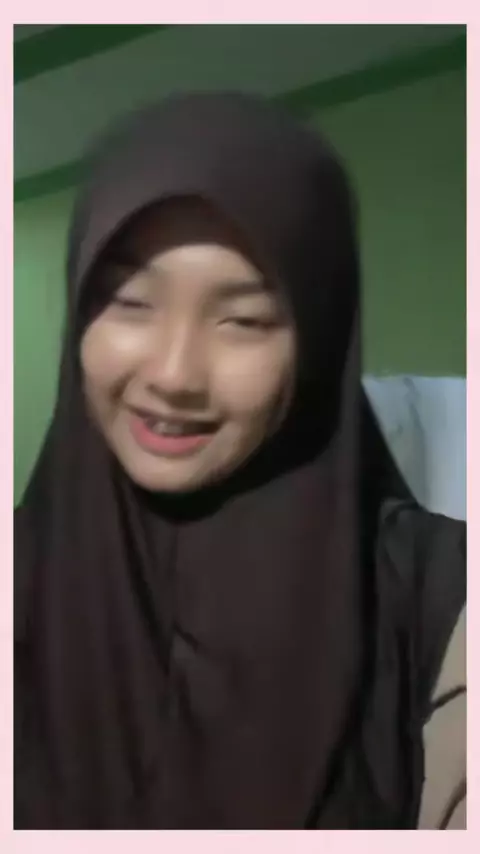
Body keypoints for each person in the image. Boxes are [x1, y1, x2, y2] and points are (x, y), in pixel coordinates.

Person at [14, 92, 466, 829]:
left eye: (244, 319)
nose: (174, 375)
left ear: (318, 341)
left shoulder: (438, 596)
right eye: (130, 302)